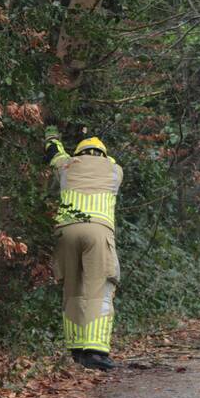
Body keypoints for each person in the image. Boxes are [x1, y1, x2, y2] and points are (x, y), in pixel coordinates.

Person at [44, 126, 123, 371]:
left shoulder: (66, 166)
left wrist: (52, 136)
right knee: (99, 288)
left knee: (73, 288)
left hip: (66, 231)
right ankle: (96, 351)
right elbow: (105, 160)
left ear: (78, 153)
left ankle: (77, 348)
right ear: (102, 153)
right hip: (98, 231)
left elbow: (54, 154)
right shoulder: (114, 170)